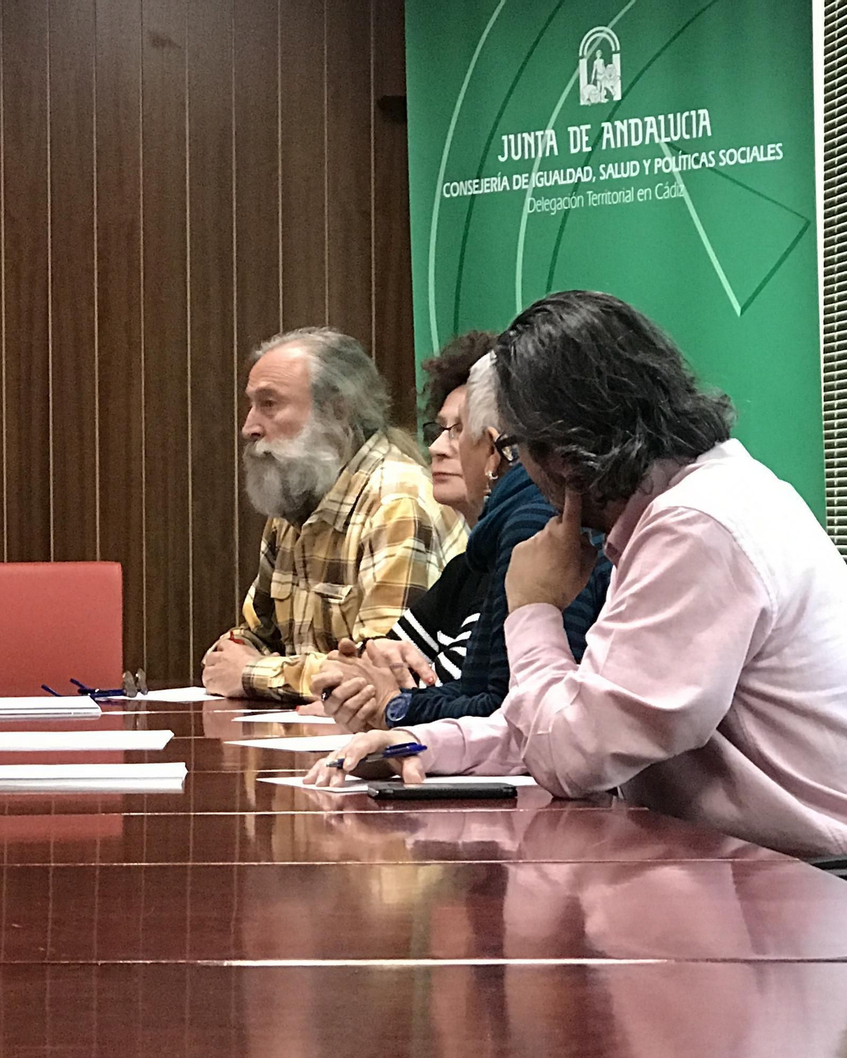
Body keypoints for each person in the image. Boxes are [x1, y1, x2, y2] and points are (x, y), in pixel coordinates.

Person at [309, 290, 847, 861]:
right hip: (742, 868)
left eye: (515, 448)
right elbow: (580, 716)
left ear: (561, 450)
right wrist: (431, 743)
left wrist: (533, 609)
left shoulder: (696, 527)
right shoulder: (686, 502)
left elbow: (575, 754)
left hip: (805, 882)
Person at [312, 346, 613, 731]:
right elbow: (474, 690)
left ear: (492, 451)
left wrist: (394, 706)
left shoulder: (533, 522)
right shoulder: (498, 534)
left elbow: (511, 713)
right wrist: (374, 686)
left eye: (458, 433)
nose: (436, 448)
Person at [200, 327, 466, 702]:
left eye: (269, 404)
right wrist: (233, 658)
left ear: (337, 409)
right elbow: (251, 637)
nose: (249, 427)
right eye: (251, 405)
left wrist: (250, 673)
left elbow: (381, 675)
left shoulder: (396, 502)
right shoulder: (294, 504)